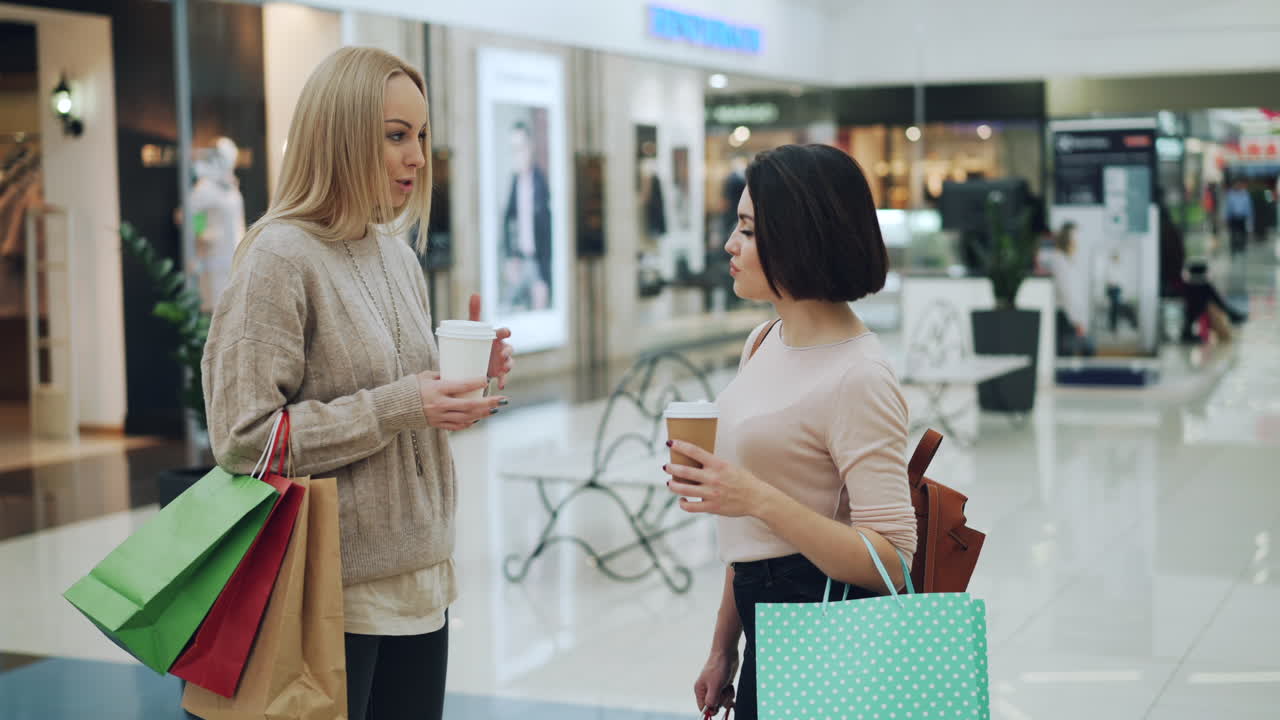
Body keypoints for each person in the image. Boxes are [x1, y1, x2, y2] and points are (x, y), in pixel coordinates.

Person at [201, 47, 515, 720]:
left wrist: (456, 388)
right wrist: (404, 404)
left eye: (422, 136)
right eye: (396, 136)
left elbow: (400, 399)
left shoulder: (397, 256)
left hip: (420, 579)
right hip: (326, 592)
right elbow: (242, 439)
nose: (417, 157)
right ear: (341, 135)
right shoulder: (279, 256)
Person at [662, 145, 918, 720]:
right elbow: (752, 529)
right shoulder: (764, 341)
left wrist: (752, 496)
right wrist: (722, 648)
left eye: (749, 231)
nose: (730, 244)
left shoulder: (859, 376)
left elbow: (894, 560)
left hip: (822, 630)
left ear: (800, 238)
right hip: (764, 628)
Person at [188, 137, 245, 311]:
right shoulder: (205, 188)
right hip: (214, 258)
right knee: (217, 308)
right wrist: (201, 232)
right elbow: (190, 214)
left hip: (234, 256)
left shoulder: (231, 187)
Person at [502, 120, 552, 312]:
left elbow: (548, 231)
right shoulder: (514, 182)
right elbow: (508, 220)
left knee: (539, 310)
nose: (518, 155)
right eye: (513, 150)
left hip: (538, 263)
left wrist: (545, 276)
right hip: (519, 260)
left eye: (521, 148)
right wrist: (510, 255)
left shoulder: (541, 182)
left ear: (530, 148)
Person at [1037, 222, 1094, 356]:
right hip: (1066, 318)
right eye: (1075, 239)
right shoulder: (1059, 261)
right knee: (1068, 356)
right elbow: (1066, 293)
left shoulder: (1069, 262)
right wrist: (1077, 321)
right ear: (1068, 240)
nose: (1077, 243)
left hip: (1071, 318)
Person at [1224, 179, 1253, 255]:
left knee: (1243, 233)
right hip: (1233, 217)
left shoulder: (1245, 194)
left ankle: (1242, 247)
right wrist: (1226, 217)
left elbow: (1248, 207)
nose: (1238, 186)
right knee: (1233, 233)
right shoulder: (1230, 194)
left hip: (1242, 217)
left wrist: (1249, 217)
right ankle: (1233, 248)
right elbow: (1228, 207)